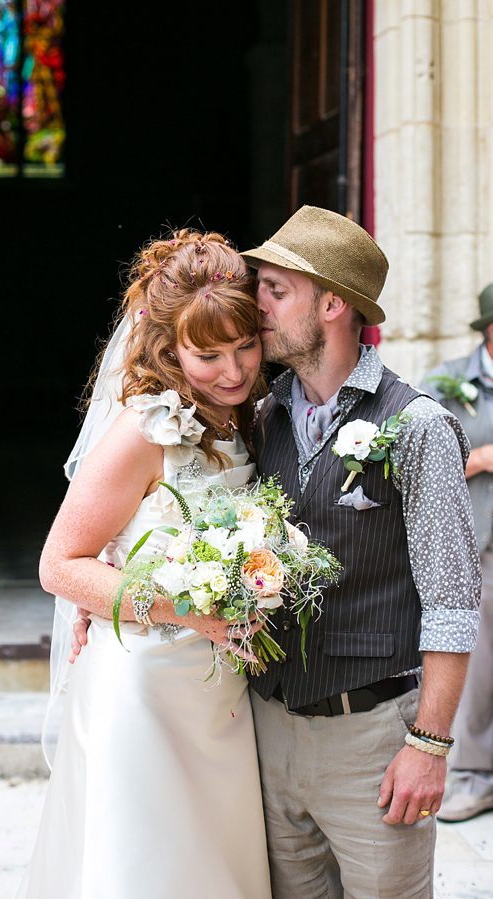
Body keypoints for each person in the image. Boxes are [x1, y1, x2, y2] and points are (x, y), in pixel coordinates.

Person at [17, 229, 272, 899]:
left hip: (219, 696)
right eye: (207, 353)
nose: (234, 370)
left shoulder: (245, 419)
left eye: (246, 345)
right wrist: (184, 610)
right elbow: (59, 564)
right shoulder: (144, 431)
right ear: (168, 347)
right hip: (142, 692)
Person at [237, 206, 481, 899]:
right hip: (268, 733)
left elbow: (453, 602)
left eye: (276, 289)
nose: (257, 304)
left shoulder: (417, 426)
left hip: (372, 742)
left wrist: (429, 746)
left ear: (334, 304)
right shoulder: (261, 417)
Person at [419, 283, 493, 823]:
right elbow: (418, 461)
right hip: (478, 541)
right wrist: (483, 456)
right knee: (479, 664)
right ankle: (473, 776)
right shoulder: (447, 383)